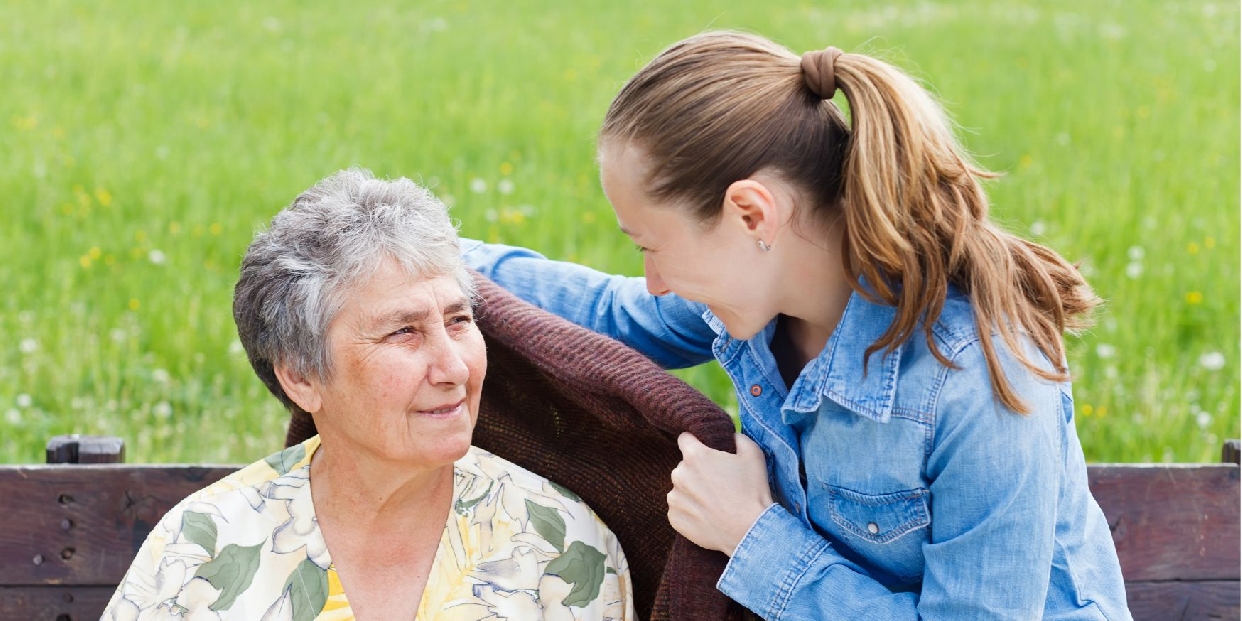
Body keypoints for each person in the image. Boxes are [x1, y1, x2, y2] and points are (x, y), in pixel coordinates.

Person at [463, 31, 1131, 619]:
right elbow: (607, 313)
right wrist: (428, 252)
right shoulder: (763, 296)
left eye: (651, 245)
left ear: (753, 215)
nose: (656, 280)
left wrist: (752, 534)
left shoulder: (980, 379)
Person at [103, 169, 633, 620]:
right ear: (302, 378)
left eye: (459, 320)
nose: (453, 366)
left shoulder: (562, 544)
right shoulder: (204, 544)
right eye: (403, 331)